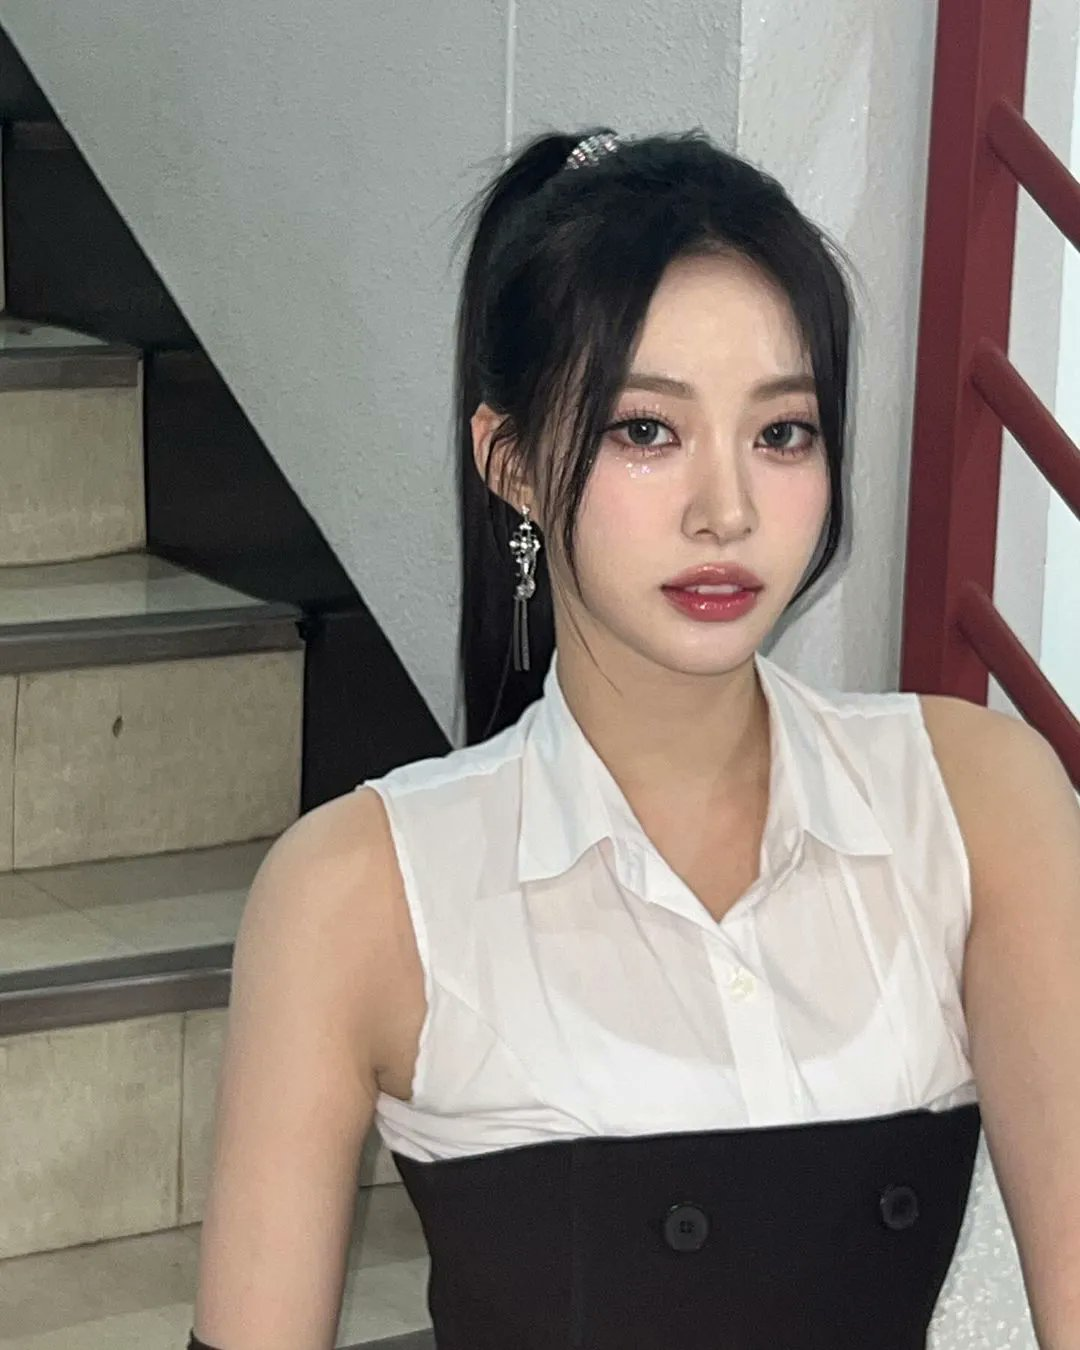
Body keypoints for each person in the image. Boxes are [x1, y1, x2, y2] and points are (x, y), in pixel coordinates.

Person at [188, 128, 1080, 1349]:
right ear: (510, 462)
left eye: (782, 433)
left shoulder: (976, 802)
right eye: (646, 431)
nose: (727, 510)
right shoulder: (359, 893)